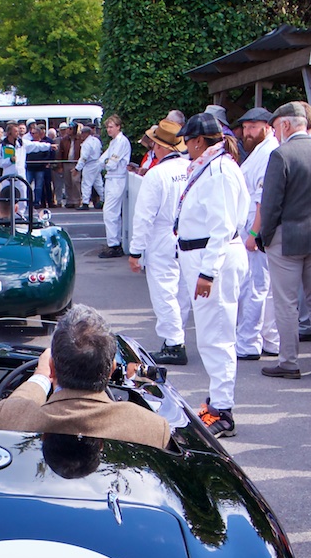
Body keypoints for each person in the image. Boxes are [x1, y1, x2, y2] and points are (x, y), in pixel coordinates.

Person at [0, 304, 170, 448]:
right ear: (111, 369)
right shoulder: (152, 428)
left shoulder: (9, 416)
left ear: (52, 366)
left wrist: (41, 376)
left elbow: (16, 408)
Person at [173, 112, 249, 435]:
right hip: (202, 255)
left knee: (217, 336)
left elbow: (222, 227)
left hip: (211, 257)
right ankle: (218, 400)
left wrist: (208, 272)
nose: (185, 147)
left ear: (199, 141)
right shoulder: (211, 166)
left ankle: (223, 409)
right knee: (210, 334)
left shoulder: (218, 170)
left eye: (187, 141)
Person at [256, 102, 311, 381]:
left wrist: (264, 237)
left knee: (286, 302)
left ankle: (289, 361)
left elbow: (270, 205)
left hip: (286, 237)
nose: (275, 133)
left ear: (286, 125)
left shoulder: (281, 155)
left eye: (276, 127)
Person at [128, 117, 189, 366]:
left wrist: (135, 250)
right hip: (187, 234)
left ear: (161, 147)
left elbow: (144, 216)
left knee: (163, 291)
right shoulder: (191, 168)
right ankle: (176, 336)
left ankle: (174, 343)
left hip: (163, 235)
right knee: (181, 291)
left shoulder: (157, 174)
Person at [236, 106, 280, 360]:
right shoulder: (259, 151)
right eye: (245, 127)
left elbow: (262, 199)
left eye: (254, 127)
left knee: (255, 288)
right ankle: (269, 339)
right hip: (253, 228)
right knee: (263, 288)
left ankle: (250, 342)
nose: (248, 132)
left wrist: (254, 233)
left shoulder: (268, 152)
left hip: (256, 230)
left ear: (267, 127)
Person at [99, 115, 131, 253]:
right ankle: (114, 242)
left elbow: (111, 163)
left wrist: (106, 163)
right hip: (112, 178)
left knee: (110, 211)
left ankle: (114, 244)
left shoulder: (121, 142)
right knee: (112, 212)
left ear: (118, 127)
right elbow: (102, 160)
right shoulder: (114, 143)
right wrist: (106, 163)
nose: (108, 130)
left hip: (117, 178)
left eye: (111, 127)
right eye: (107, 127)